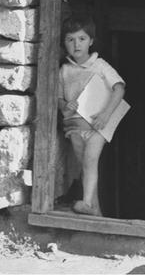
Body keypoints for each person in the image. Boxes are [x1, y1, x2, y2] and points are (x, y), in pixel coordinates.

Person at [58, 12, 125, 216]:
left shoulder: (100, 65)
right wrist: (65, 106)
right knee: (86, 168)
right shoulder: (64, 70)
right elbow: (59, 99)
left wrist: (105, 115)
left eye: (82, 39)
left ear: (91, 41)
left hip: (97, 126)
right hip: (74, 127)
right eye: (70, 40)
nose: (76, 44)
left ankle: (87, 203)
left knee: (89, 161)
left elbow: (119, 88)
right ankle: (95, 212)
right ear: (64, 43)